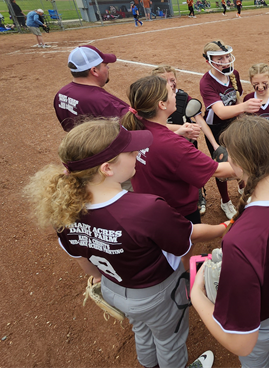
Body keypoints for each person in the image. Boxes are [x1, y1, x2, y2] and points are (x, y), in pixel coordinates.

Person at [23, 117, 219, 368]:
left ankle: (150, 365)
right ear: (107, 168)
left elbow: (86, 264)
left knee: (143, 330)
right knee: (169, 340)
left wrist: (99, 276)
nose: (137, 152)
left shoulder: (63, 209)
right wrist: (224, 227)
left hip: (113, 288)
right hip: (157, 292)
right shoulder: (146, 208)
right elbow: (183, 245)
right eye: (130, 151)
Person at [190, 115, 269, 368]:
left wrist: (196, 295)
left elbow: (241, 344)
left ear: (239, 165)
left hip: (268, 318)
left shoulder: (241, 240)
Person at [122, 75, 238, 225]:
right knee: (185, 245)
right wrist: (256, 163)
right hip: (176, 214)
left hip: (149, 207)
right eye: (171, 92)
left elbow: (156, 145)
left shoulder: (136, 126)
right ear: (162, 104)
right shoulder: (175, 146)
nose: (175, 94)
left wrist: (176, 132)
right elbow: (218, 170)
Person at [199, 40, 263, 219]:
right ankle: (225, 200)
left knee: (241, 157)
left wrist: (243, 118)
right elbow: (220, 112)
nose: (226, 60)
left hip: (233, 121)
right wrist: (244, 108)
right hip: (216, 127)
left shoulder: (233, 73)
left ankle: (243, 188)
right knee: (223, 165)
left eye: (227, 56)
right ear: (209, 61)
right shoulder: (206, 82)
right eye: (220, 58)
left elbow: (236, 99)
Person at [151, 65, 219, 215]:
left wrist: (215, 145)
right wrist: (181, 129)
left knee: (191, 173)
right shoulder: (152, 103)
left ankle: (198, 195)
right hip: (165, 149)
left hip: (186, 148)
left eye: (172, 79)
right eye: (165, 81)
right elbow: (154, 126)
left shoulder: (183, 97)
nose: (170, 84)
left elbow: (200, 120)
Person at [54, 45, 132, 133]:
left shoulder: (61, 94)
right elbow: (131, 124)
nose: (107, 68)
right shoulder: (103, 101)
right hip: (105, 145)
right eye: (105, 65)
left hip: (79, 143)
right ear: (94, 71)